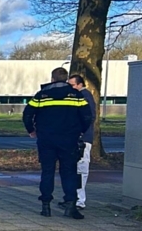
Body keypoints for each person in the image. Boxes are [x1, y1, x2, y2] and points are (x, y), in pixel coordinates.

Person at [22, 67, 92, 219]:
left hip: (46, 139)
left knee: (47, 171)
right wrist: (80, 131)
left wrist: (31, 130)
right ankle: (70, 205)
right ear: (66, 79)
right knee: (69, 172)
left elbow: (27, 114)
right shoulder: (76, 95)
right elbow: (87, 116)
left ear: (52, 79)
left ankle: (46, 206)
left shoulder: (41, 95)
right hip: (69, 139)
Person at [68, 74, 96, 209]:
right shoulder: (79, 96)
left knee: (81, 169)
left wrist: (80, 132)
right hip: (78, 137)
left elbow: (89, 117)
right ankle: (74, 198)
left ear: (80, 84)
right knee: (76, 169)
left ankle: (79, 200)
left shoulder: (85, 96)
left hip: (82, 139)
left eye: (72, 85)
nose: (70, 87)